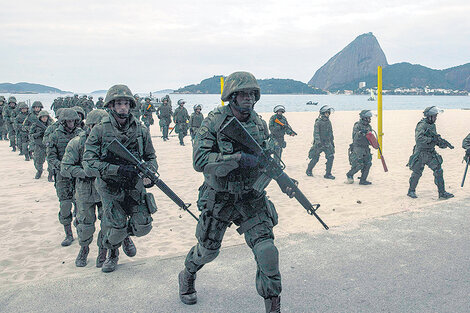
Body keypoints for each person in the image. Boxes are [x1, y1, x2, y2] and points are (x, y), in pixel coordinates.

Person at [179, 71, 295, 313]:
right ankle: (188, 274)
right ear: (231, 96)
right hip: (219, 197)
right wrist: (237, 159)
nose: (248, 99)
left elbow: (264, 158)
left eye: (252, 94)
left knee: (267, 251)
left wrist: (281, 177)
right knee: (208, 251)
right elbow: (199, 160)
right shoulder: (213, 121)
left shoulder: (259, 123)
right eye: (243, 94)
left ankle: (273, 306)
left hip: (251, 197)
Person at [83, 85, 157, 273]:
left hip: (134, 184)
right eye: (118, 103)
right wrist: (117, 170)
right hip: (110, 185)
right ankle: (112, 254)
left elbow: (151, 157)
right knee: (115, 227)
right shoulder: (99, 130)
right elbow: (89, 163)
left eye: (126, 103)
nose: (122, 107)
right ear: (111, 106)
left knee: (143, 226)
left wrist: (149, 172)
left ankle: (125, 235)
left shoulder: (141, 129)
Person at [61, 109, 109, 268]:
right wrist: (85, 173)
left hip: (105, 190)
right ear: (89, 126)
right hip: (84, 190)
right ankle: (84, 249)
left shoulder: (109, 143)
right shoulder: (77, 143)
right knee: (84, 224)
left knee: (107, 223)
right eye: (95, 125)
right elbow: (66, 167)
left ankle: (103, 252)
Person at [47, 108, 83, 246]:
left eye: (73, 121)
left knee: (80, 204)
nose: (71, 123)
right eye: (68, 121)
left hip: (77, 175)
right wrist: (62, 166)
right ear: (63, 121)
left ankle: (81, 230)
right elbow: (51, 157)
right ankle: (68, 234)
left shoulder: (80, 134)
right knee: (65, 205)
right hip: (62, 176)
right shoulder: (54, 135)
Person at [407, 106, 454, 199]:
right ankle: (411, 191)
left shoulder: (432, 125)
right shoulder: (422, 125)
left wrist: (440, 143)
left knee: (438, 171)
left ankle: (442, 192)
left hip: (430, 153)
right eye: (434, 116)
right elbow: (419, 139)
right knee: (417, 173)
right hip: (421, 153)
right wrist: (431, 140)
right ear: (429, 116)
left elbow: (434, 138)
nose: (436, 118)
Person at [345, 110, 374, 185]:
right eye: (368, 118)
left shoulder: (369, 127)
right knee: (359, 164)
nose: (369, 119)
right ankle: (350, 174)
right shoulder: (357, 125)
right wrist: (360, 133)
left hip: (366, 147)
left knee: (368, 163)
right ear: (364, 118)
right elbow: (355, 137)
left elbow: (371, 138)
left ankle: (363, 180)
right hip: (358, 147)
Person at [306, 105, 335, 179]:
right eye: (327, 113)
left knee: (330, 157)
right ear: (323, 113)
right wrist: (318, 142)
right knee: (315, 158)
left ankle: (328, 174)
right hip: (319, 143)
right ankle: (309, 170)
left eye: (328, 113)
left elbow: (330, 133)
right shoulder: (318, 122)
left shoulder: (329, 122)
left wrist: (332, 143)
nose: (328, 114)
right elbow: (316, 133)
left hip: (327, 143)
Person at [30, 110, 53, 179]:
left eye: (46, 117)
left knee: (51, 161)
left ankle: (50, 175)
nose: (44, 118)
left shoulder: (51, 124)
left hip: (48, 145)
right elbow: (30, 135)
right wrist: (37, 134)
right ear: (40, 117)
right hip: (39, 145)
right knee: (38, 160)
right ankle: (39, 171)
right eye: (43, 117)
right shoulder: (35, 125)